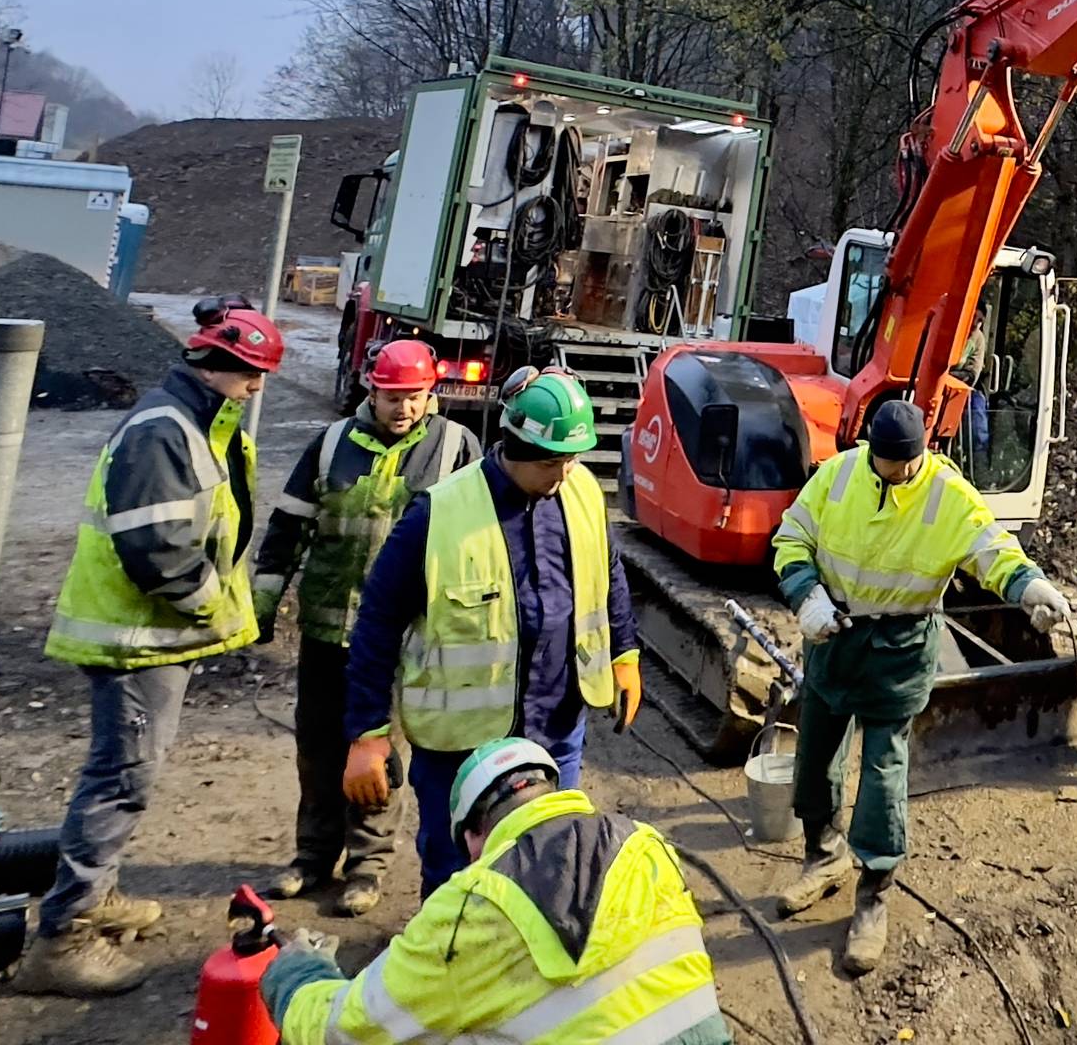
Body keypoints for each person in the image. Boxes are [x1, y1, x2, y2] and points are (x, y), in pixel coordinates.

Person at [15, 298, 283, 996]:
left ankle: (94, 896)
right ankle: (64, 939)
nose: (256, 387)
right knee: (120, 781)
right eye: (250, 373)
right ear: (213, 364)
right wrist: (210, 606)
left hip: (151, 641)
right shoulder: (166, 430)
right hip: (136, 641)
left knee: (125, 775)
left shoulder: (192, 422)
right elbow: (157, 550)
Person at [768, 398, 1077, 974]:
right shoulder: (838, 475)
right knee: (816, 757)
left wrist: (1028, 586)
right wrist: (807, 595)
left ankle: (873, 893)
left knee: (883, 772)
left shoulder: (947, 494)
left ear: (922, 452)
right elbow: (791, 538)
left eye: (905, 465)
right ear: (871, 450)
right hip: (834, 642)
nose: (896, 473)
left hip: (901, 650)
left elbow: (992, 550)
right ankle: (824, 856)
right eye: (885, 463)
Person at [343, 369, 646, 895]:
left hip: (555, 724)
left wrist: (624, 652)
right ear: (514, 446)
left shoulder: (580, 493)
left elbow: (608, 572)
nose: (563, 473)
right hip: (461, 742)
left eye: (572, 459)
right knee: (457, 871)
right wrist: (367, 732)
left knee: (551, 857)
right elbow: (377, 621)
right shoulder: (438, 514)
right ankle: (450, 946)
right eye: (550, 462)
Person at [261, 737, 731, 1045]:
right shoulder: (645, 846)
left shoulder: (472, 906)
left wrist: (297, 975)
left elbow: (352, 1030)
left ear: (472, 834)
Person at [251, 339, 483, 915]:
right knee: (318, 748)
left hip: (403, 638)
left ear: (431, 393)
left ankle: (367, 866)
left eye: (415, 396)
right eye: (392, 397)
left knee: (379, 756)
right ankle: (312, 855)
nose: (404, 408)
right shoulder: (332, 445)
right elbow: (289, 525)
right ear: (370, 390)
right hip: (328, 631)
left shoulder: (456, 447)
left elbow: (480, 542)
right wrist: (263, 602)